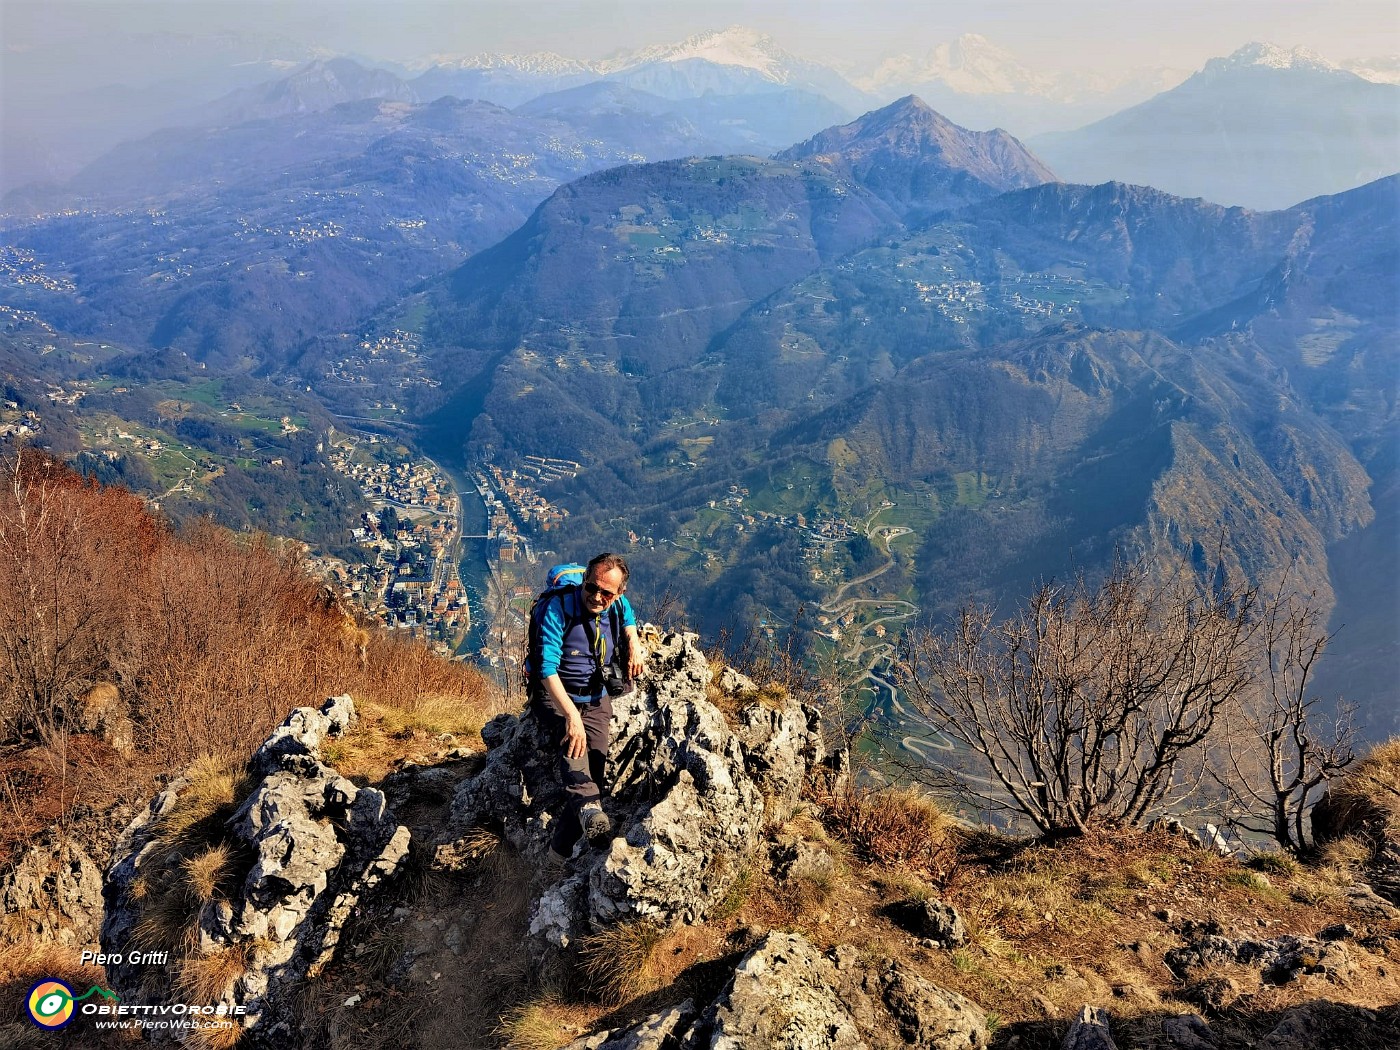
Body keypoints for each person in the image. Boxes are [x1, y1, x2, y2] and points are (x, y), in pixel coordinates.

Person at [527, 552, 645, 862]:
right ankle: (591, 816)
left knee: (596, 770)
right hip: (555, 696)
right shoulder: (559, 607)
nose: (596, 597)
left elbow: (628, 614)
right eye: (591, 587)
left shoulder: (617, 603)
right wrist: (570, 716)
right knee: (574, 750)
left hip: (594, 696)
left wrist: (633, 640)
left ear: (618, 593)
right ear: (584, 580)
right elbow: (546, 668)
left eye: (606, 593)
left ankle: (560, 849)